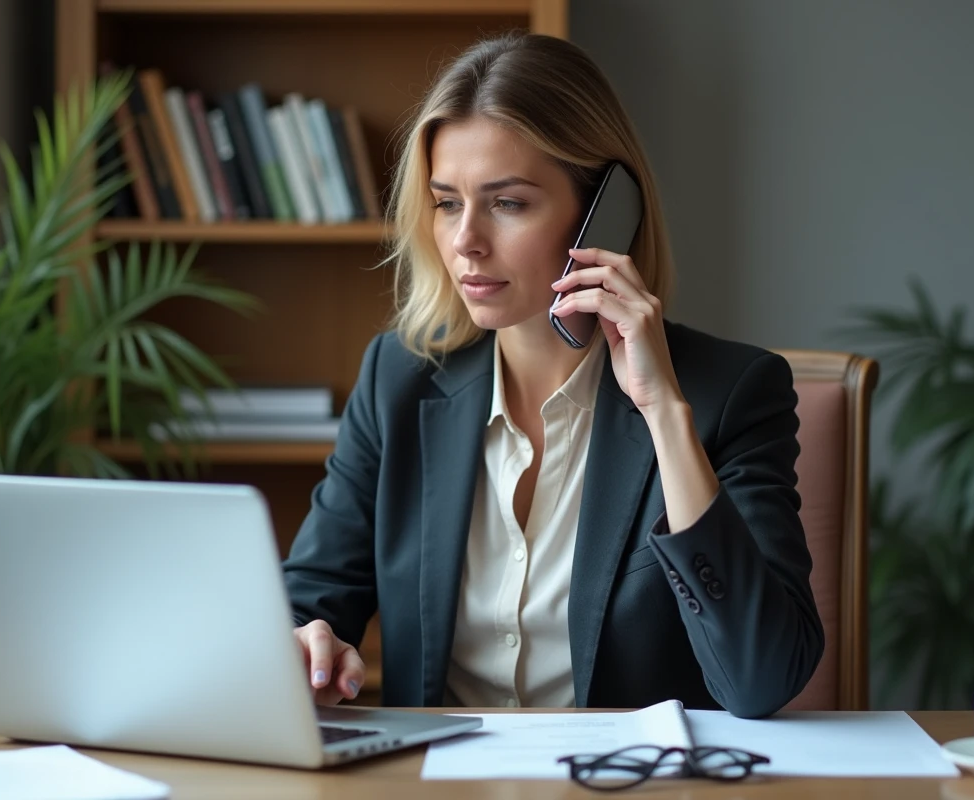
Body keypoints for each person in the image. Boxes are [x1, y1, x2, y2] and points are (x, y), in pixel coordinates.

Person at [281, 31, 823, 719]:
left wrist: (663, 414)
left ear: (606, 214)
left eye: (507, 203)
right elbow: (309, 600)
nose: (465, 241)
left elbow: (763, 678)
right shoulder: (399, 379)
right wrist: (309, 642)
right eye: (447, 202)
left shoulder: (731, 393)